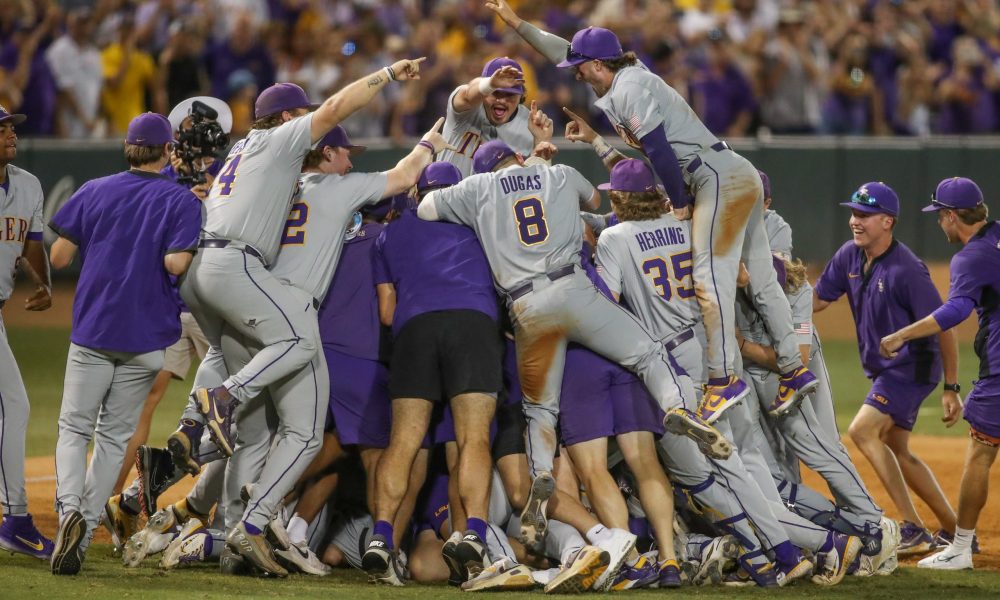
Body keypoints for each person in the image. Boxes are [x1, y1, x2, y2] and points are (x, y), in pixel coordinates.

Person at [487, 0, 818, 425]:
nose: (576, 73)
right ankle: (793, 367)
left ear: (598, 64)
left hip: (713, 177)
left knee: (708, 279)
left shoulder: (627, 89)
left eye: (581, 67)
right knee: (763, 280)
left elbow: (659, 148)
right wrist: (517, 25)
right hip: (734, 172)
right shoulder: (626, 74)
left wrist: (679, 202)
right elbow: (562, 49)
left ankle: (721, 381)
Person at [416, 138, 730, 565]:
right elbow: (595, 195)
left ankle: (543, 472)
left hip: (525, 305)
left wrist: (473, 207)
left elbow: (426, 209)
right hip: (573, 286)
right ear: (519, 156)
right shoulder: (557, 173)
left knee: (539, 408)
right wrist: (542, 166)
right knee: (648, 354)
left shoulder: (478, 187)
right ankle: (676, 406)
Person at [168, 60, 425, 564]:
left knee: (274, 428)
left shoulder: (246, 153)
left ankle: (230, 526)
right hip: (242, 271)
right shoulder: (283, 142)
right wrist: (389, 74)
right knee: (298, 345)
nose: (314, 121)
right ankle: (216, 406)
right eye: (303, 114)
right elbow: (338, 110)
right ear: (288, 117)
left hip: (209, 269)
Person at [215, 119, 452, 576]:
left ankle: (278, 522)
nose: (348, 163)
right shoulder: (392, 237)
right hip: (358, 357)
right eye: (344, 154)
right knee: (374, 452)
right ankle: (377, 546)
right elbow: (391, 310)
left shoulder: (305, 208)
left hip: (293, 335)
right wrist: (432, 142)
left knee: (315, 441)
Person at [47, 112, 202, 575]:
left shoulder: (95, 189)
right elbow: (176, 264)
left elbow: (58, 254)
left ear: (128, 147)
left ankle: (68, 513)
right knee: (114, 436)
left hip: (94, 329)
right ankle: (88, 520)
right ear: (167, 151)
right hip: (147, 337)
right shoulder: (180, 200)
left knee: (74, 428)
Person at [814, 181, 959, 555]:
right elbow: (816, 300)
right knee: (898, 448)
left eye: (865, 215)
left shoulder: (908, 269)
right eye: (853, 213)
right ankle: (955, 530)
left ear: (888, 222)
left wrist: (951, 387)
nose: (855, 221)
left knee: (863, 431)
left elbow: (945, 325)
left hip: (913, 366)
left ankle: (911, 527)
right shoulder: (849, 256)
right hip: (887, 370)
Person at [111, 96, 233, 509]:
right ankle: (115, 503)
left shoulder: (167, 177)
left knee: (209, 410)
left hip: (193, 305)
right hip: (196, 306)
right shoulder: (227, 177)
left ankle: (119, 501)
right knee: (222, 409)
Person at [881, 177, 998, 570]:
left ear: (951, 217)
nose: (938, 224)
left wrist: (903, 333)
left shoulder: (970, 256)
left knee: (980, 454)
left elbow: (955, 312)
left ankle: (961, 547)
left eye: (939, 216)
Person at [0, 105, 54, 560]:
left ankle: (15, 517)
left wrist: (44, 285)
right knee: (13, 404)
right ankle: (16, 518)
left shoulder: (28, 185)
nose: (9, 133)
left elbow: (31, 246)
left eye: (10, 126)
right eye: (1, 129)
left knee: (12, 405)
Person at [440, 57, 533, 176]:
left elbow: (529, 184)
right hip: (449, 192)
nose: (502, 100)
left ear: (520, 96)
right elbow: (467, 94)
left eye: (510, 95)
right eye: (495, 92)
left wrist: (540, 142)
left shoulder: (529, 125)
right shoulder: (467, 111)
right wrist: (490, 84)